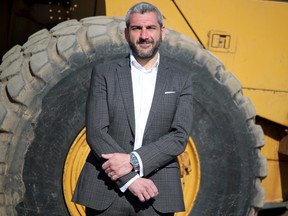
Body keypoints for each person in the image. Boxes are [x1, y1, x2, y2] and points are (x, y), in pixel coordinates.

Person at [72, 2, 193, 215]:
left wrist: (133, 161)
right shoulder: (104, 74)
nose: (144, 35)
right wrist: (131, 180)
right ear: (127, 33)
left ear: (162, 32)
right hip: (106, 190)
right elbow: (96, 133)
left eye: (151, 28)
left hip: (157, 193)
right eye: (137, 28)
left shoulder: (181, 80)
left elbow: (179, 136)